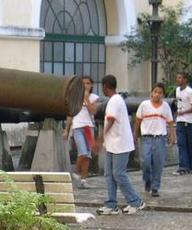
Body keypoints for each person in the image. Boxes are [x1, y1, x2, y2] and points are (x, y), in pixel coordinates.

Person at [96, 74, 144, 215]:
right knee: (109, 174)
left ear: (105, 87)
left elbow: (110, 120)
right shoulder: (116, 100)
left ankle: (136, 201)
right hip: (112, 144)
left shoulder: (114, 101)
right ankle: (111, 204)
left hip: (120, 144)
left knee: (119, 173)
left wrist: (100, 136)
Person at [134, 83, 175, 198]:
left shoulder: (165, 106)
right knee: (145, 161)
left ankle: (155, 186)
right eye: (155, 91)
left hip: (160, 138)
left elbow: (170, 122)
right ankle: (147, 179)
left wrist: (172, 134)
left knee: (158, 163)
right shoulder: (144, 105)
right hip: (147, 138)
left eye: (160, 92)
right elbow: (137, 120)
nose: (157, 94)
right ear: (151, 93)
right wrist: (135, 134)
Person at [62, 76, 100, 188]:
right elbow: (70, 114)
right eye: (83, 83)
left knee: (87, 155)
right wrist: (66, 130)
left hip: (89, 127)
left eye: (88, 83)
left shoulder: (94, 97)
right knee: (82, 152)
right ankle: (76, 171)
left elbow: (94, 112)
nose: (85, 86)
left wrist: (87, 99)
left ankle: (84, 180)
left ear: (91, 85)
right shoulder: (74, 97)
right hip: (78, 127)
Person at [173, 72, 192, 174]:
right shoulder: (177, 90)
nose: (177, 79)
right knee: (181, 144)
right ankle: (183, 166)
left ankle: (190, 166)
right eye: (177, 77)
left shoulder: (190, 92)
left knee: (189, 145)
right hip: (180, 120)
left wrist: (185, 112)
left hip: (190, 121)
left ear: (185, 79)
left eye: (180, 78)